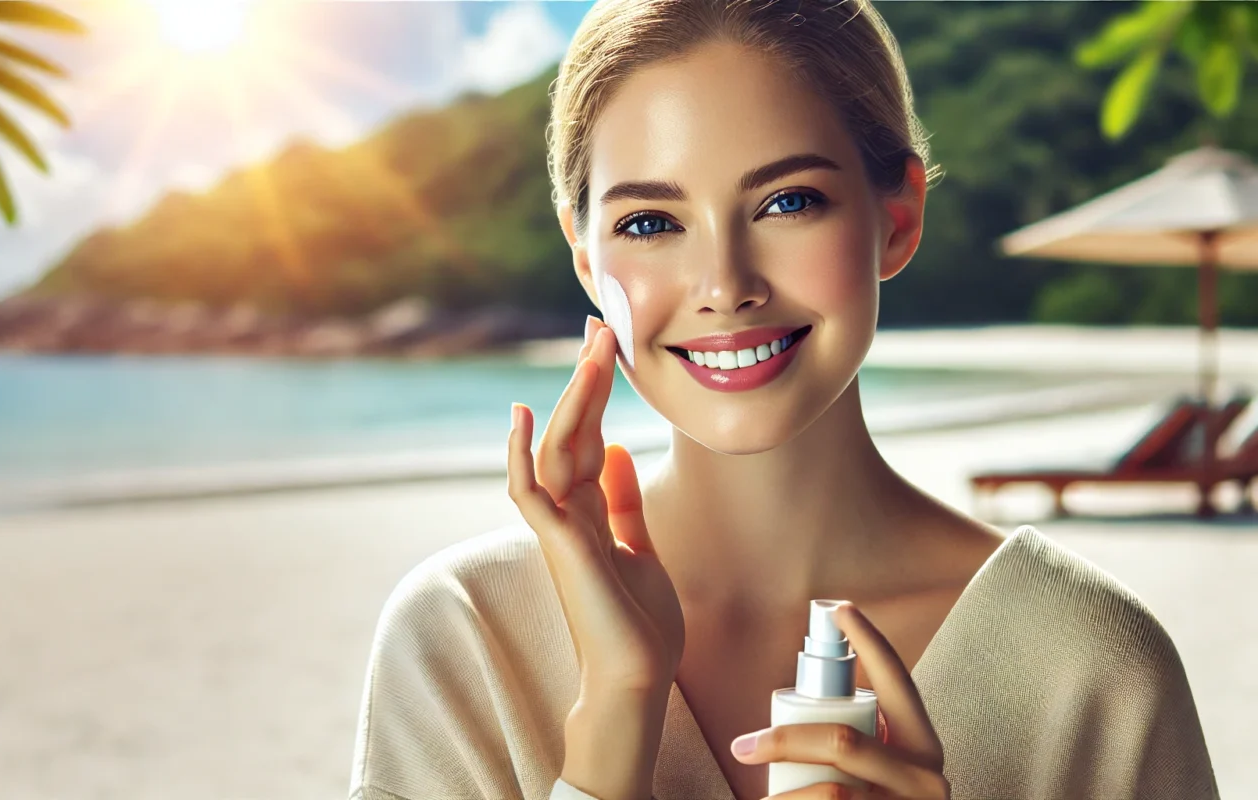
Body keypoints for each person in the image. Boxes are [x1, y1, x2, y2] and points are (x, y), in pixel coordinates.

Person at [348, 0, 1219, 798]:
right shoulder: (465, 639)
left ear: (898, 220)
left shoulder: (1090, 666)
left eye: (787, 202)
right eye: (651, 223)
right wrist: (615, 713)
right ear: (588, 262)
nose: (724, 286)